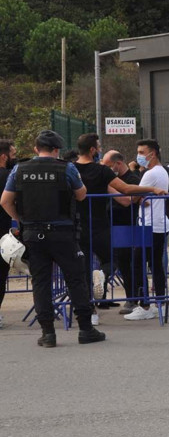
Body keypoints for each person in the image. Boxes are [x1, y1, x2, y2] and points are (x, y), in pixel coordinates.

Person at [0, 130, 105, 347]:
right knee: (76, 279)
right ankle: (86, 329)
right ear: (57, 149)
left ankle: (48, 333)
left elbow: (5, 201)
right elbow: (81, 194)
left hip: (32, 234)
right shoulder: (67, 168)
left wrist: (21, 220)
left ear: (36, 149)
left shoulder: (19, 169)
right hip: (63, 233)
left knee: (41, 282)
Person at [75, 134, 166, 324]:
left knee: (81, 268)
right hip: (101, 225)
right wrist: (151, 189)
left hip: (77, 226)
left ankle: (90, 312)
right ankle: (102, 275)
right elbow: (126, 190)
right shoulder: (102, 172)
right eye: (98, 146)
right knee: (112, 259)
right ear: (93, 150)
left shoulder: (70, 169)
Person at [124, 139, 169, 321]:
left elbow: (135, 196)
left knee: (138, 264)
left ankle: (144, 305)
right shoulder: (162, 172)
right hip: (157, 224)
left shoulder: (150, 175)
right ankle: (159, 302)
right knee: (155, 264)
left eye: (142, 152)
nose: (139, 156)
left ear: (153, 153)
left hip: (149, 224)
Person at [100, 150, 143, 315]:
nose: (106, 170)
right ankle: (122, 297)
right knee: (120, 263)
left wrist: (109, 187)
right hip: (112, 226)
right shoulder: (114, 179)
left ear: (118, 163)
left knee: (128, 264)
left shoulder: (132, 179)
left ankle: (133, 299)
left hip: (127, 225)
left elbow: (127, 201)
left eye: (108, 166)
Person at [0, 139, 17, 328]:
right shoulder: (8, 176)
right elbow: (8, 201)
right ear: (4, 156)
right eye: (13, 154)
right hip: (2, 232)